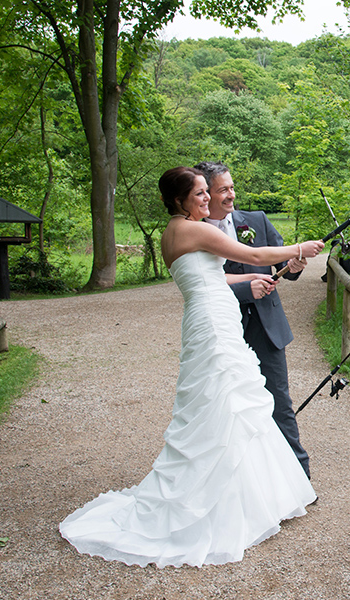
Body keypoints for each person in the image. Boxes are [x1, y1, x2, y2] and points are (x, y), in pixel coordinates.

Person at [59, 167, 324, 568]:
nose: (208, 199)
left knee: (225, 402)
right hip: (213, 325)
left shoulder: (176, 232)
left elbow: (210, 278)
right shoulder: (189, 230)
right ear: (180, 200)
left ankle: (244, 494)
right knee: (225, 399)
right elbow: (252, 255)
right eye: (200, 194)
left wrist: (252, 280)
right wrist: (299, 248)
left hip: (210, 314)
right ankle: (217, 503)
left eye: (207, 192)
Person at [194, 161, 312, 479]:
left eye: (232, 187)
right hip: (224, 327)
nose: (231, 195)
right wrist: (248, 287)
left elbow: (282, 262)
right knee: (227, 404)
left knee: (278, 399)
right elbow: (201, 283)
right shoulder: (196, 231)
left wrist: (295, 264)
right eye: (223, 190)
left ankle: (298, 476)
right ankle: (240, 478)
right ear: (205, 194)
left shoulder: (256, 220)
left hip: (266, 325)